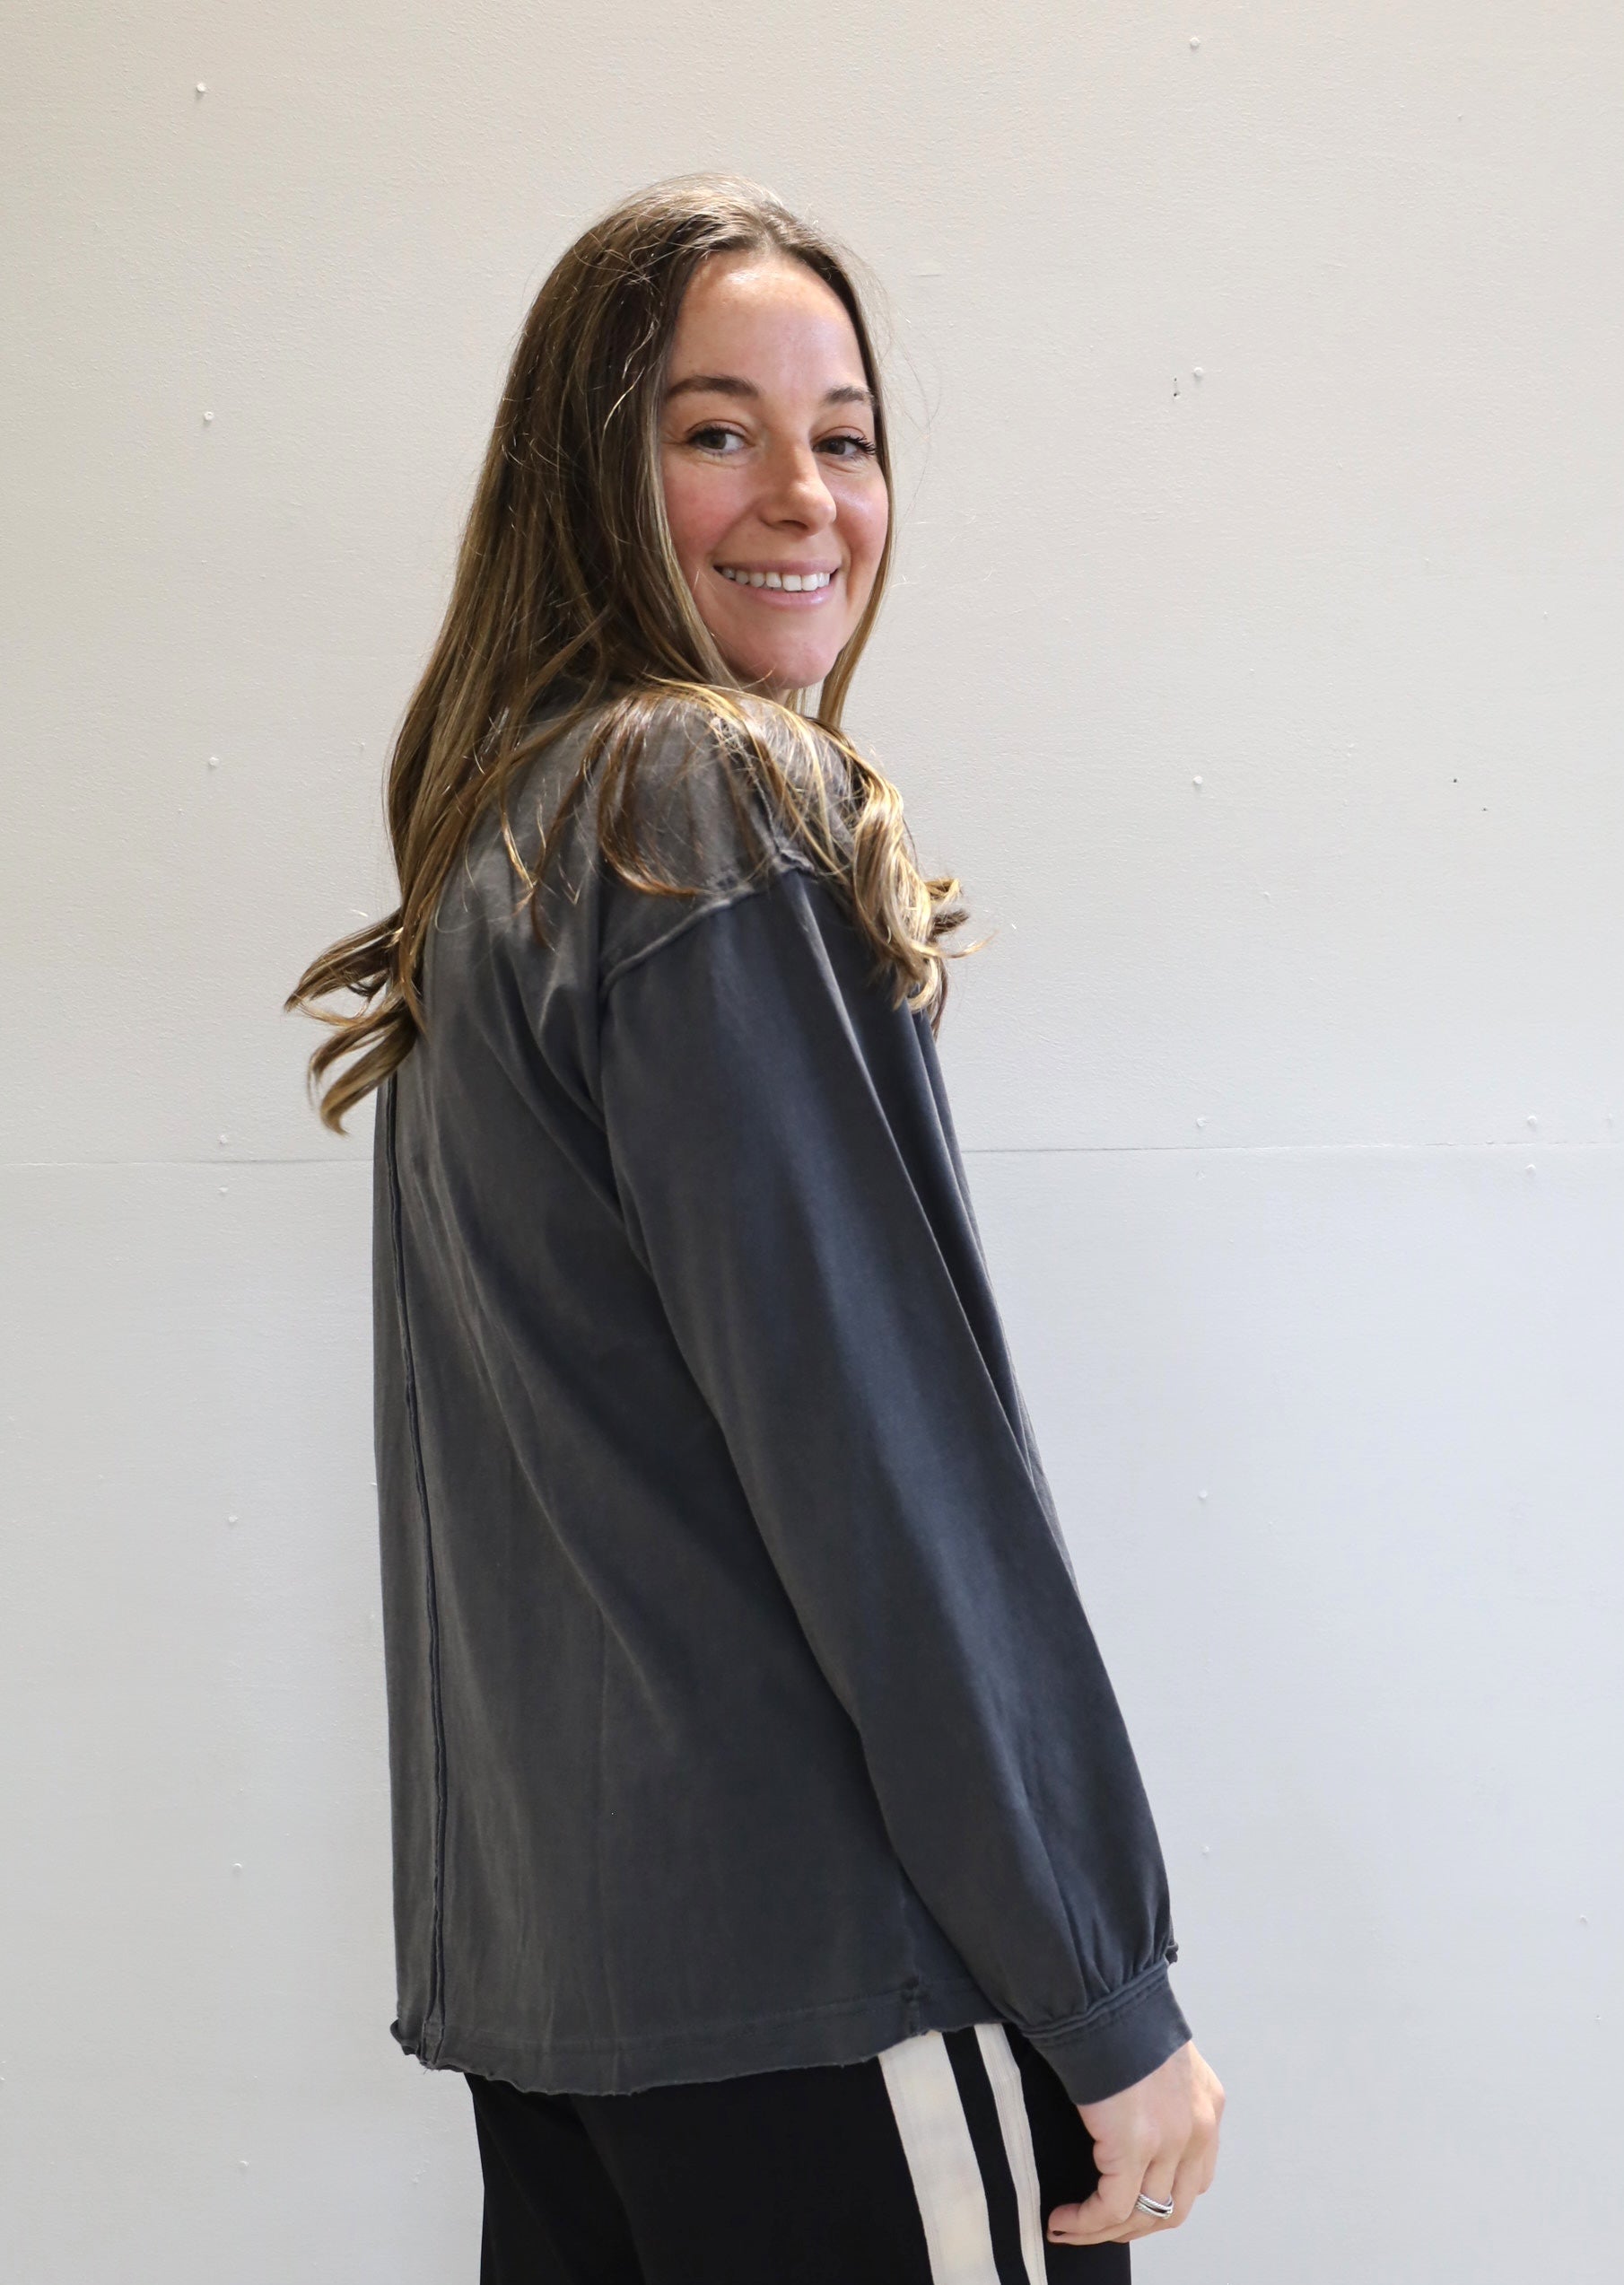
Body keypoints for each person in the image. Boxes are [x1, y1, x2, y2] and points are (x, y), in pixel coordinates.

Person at [287, 173, 1223, 2284]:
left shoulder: (509, 849)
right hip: (833, 1996)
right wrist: (1102, 1988)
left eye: (845, 435)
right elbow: (878, 1461)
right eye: (714, 429)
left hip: (581, 2015)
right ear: (585, 476)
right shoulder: (690, 805)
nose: (802, 496)